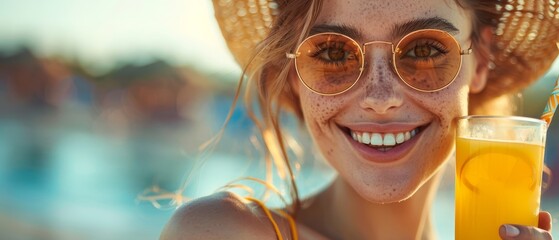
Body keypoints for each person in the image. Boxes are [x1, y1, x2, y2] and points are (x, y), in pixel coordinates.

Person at [160, 0, 559, 239]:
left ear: (482, 60)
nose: (380, 98)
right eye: (334, 53)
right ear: (296, 77)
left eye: (423, 48)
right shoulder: (217, 233)